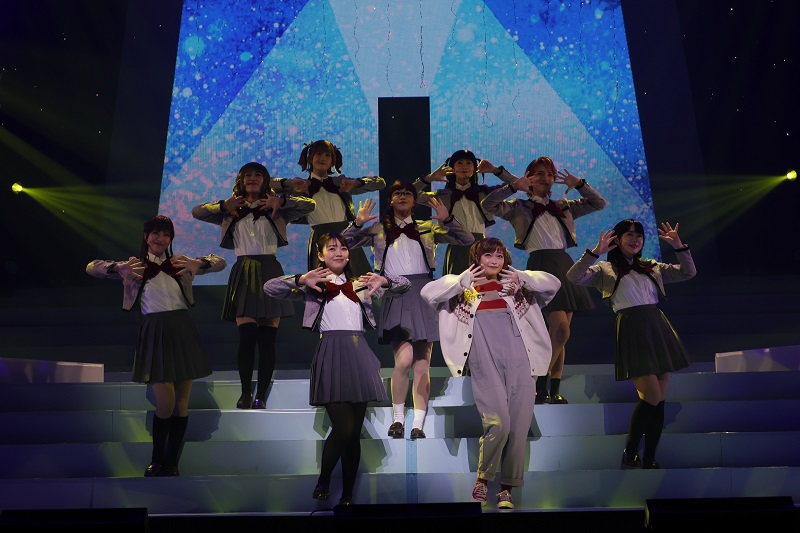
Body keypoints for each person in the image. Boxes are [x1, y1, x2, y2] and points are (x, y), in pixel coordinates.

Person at [264, 233, 410, 505]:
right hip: (331, 351)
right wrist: (300, 279)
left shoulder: (361, 284)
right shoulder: (314, 284)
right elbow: (270, 288)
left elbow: (405, 286)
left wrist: (385, 281)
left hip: (359, 353)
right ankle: (324, 479)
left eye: (343, 248)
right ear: (320, 255)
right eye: (332, 249)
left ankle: (348, 493)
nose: (339, 252)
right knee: (343, 428)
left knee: (353, 433)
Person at [420, 238, 560, 509]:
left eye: (499, 256)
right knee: (499, 423)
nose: (494, 261)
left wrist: (522, 277)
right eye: (488, 256)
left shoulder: (516, 286)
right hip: (484, 360)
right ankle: (483, 479)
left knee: (518, 427)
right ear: (476, 258)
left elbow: (553, 284)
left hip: (521, 360)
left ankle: (507, 488)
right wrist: (462, 280)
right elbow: (428, 293)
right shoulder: (463, 288)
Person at [86, 215, 226, 477]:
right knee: (166, 401)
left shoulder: (180, 262)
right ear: (146, 236)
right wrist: (118, 268)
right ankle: (156, 460)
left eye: (166, 234)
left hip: (182, 328)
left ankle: (171, 463)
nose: (161, 238)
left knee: (182, 403)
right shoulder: (135, 266)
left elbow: (221, 261)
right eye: (156, 233)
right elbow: (91, 267)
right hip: (154, 330)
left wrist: (200, 263)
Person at [342, 180, 474, 439]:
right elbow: (342, 243)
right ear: (390, 200)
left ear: (414, 201)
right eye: (397, 193)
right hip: (394, 291)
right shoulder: (378, 229)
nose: (402, 196)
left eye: (407, 193)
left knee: (422, 364)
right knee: (403, 360)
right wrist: (357, 223)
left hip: (424, 291)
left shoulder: (428, 227)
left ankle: (418, 424)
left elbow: (467, 238)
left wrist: (448, 220)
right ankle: (398, 419)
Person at [565, 219, 695, 469]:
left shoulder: (652, 266)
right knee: (652, 395)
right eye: (629, 235)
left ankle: (650, 457)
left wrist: (680, 247)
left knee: (659, 399)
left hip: (657, 326)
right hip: (631, 329)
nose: (635, 240)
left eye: (639, 235)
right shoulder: (604, 269)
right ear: (618, 239)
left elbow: (688, 272)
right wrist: (594, 253)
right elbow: (574, 276)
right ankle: (630, 450)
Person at [482, 156, 606, 404]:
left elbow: (598, 203)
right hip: (541, 265)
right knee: (561, 330)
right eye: (539, 173)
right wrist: (512, 186)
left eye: (549, 174)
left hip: (565, 264)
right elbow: (488, 204)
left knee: (561, 333)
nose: (545, 178)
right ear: (529, 176)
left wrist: (579, 184)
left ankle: (552, 388)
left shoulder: (564, 205)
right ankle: (536, 382)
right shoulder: (519, 206)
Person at [191, 162, 315, 409]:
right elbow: (197, 212)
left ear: (265, 180)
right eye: (247, 175)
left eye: (258, 175)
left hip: (270, 269)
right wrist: (222, 206)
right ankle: (246, 392)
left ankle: (262, 395)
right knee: (247, 337)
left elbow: (309, 205)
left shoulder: (277, 207)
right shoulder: (231, 209)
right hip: (244, 270)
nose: (252, 178)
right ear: (241, 180)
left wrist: (281, 200)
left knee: (267, 339)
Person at [280, 139, 385, 277]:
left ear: (333, 160)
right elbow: (270, 187)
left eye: (327, 155)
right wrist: (290, 186)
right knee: (324, 280)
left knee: (356, 278)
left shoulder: (340, 182)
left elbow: (380, 183)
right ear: (310, 158)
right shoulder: (301, 185)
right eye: (318, 154)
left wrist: (355, 183)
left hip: (346, 234)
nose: (322, 158)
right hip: (320, 236)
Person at [412, 149, 515, 274]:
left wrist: (495, 170)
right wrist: (429, 178)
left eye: (468, 163)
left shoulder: (485, 193)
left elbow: (518, 184)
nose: (464, 166)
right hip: (457, 244)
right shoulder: (443, 196)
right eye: (459, 163)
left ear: (474, 168)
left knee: (482, 283)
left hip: (480, 246)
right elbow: (411, 194)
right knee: (456, 283)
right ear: (452, 168)